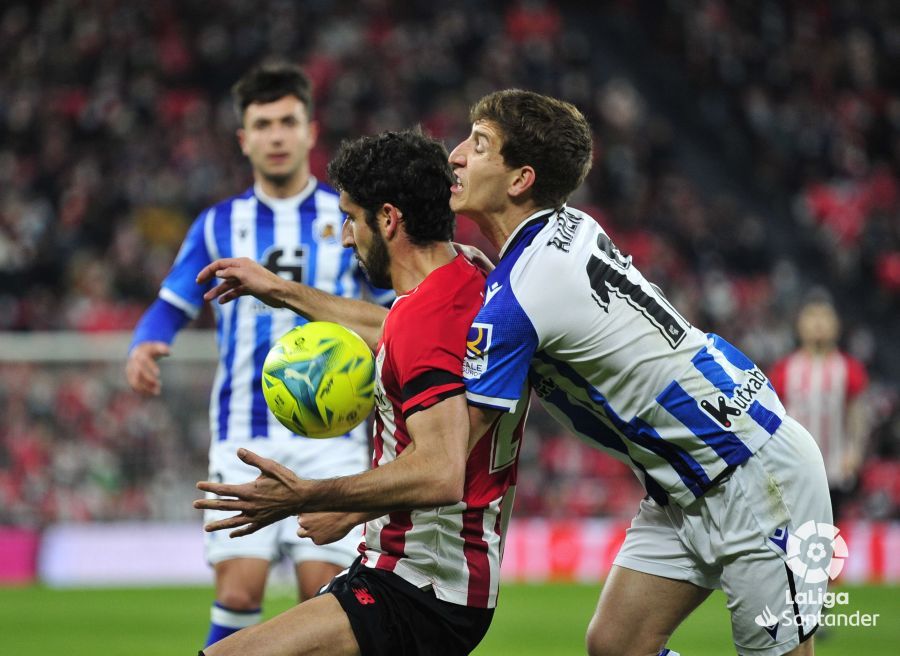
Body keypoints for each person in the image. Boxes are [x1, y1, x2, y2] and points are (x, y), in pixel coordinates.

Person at [197, 90, 832, 656]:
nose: (455, 156)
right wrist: (285, 291)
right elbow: (414, 329)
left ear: (520, 178)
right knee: (616, 645)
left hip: (750, 471)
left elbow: (443, 456)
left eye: (478, 145)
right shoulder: (550, 242)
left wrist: (325, 498)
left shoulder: (515, 298)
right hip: (685, 475)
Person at [193, 129, 529, 656]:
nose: (346, 236)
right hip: (433, 579)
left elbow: (440, 470)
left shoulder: (423, 320)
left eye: (351, 218)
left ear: (390, 219)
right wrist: (280, 290)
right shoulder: (465, 281)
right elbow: (390, 331)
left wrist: (308, 494)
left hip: (420, 588)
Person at [125, 62, 389, 648]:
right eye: (263, 124)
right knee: (239, 594)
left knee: (326, 600)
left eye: (288, 122)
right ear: (244, 139)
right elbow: (171, 301)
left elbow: (394, 308)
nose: (276, 135)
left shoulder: (348, 219)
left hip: (336, 435)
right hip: (244, 435)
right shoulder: (219, 223)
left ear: (311, 131)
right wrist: (145, 341)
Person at [768, 290, 870, 521]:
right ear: (800, 324)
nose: (818, 323)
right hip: (794, 470)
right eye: (812, 316)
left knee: (833, 530)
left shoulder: (848, 368)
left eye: (825, 316)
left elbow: (858, 416)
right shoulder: (785, 369)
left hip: (835, 469)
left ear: (836, 324)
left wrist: (855, 453)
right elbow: (775, 419)